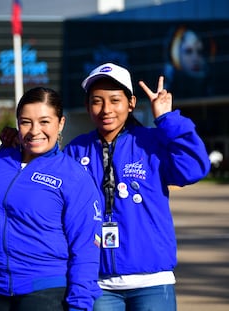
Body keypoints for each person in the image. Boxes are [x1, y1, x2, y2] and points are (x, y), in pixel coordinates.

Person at [64, 62, 211, 310]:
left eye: (114, 100)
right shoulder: (75, 150)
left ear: (131, 103)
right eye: (97, 101)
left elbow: (194, 168)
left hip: (152, 282)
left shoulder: (152, 142)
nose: (106, 109)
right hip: (97, 284)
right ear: (88, 106)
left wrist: (167, 118)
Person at [0, 87, 103, 311]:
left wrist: (80, 304)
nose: (35, 131)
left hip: (45, 293)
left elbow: (85, 247)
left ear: (60, 123)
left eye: (44, 121)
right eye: (26, 122)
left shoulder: (73, 176)